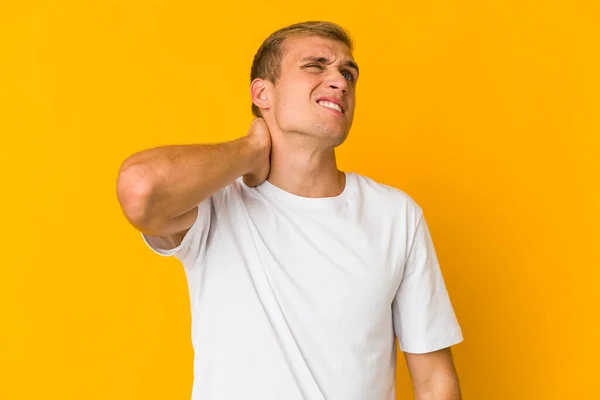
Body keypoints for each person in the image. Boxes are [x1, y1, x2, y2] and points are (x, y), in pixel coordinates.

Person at [116, 21, 464, 400]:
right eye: (316, 65)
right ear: (262, 93)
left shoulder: (396, 215)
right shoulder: (213, 206)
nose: (340, 81)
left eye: (348, 73)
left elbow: (434, 381)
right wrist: (251, 149)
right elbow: (140, 190)